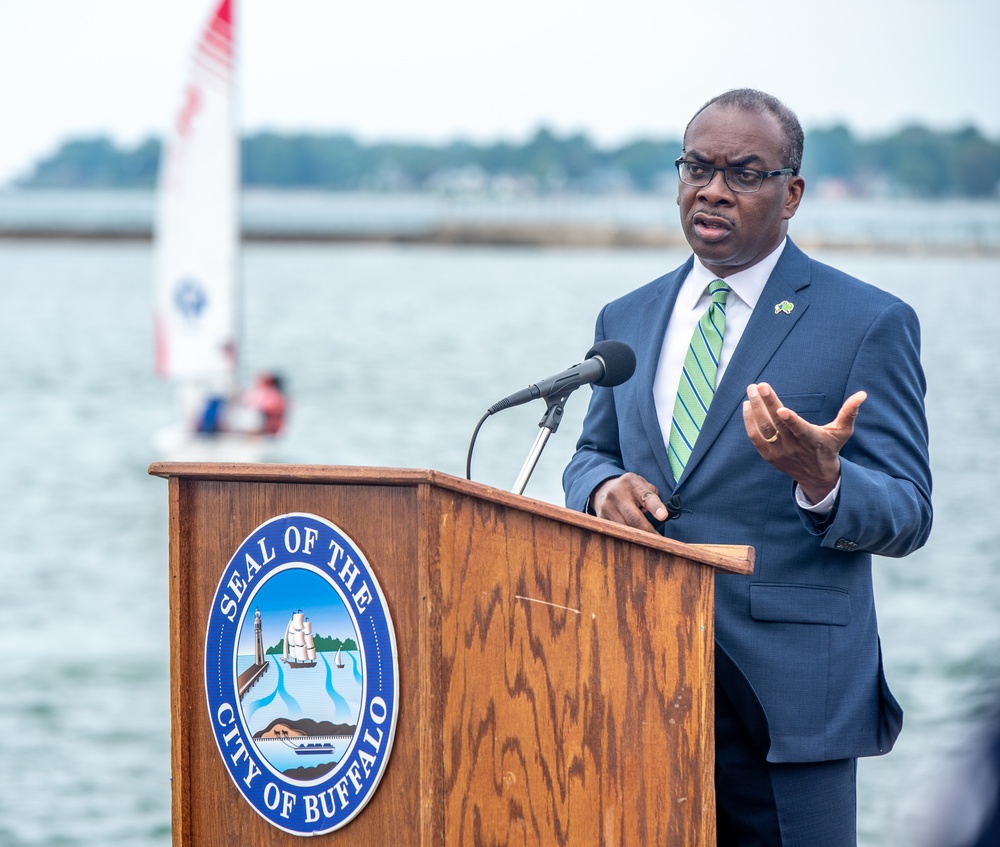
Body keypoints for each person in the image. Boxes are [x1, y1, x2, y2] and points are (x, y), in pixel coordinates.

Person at [563, 89, 932, 846]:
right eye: (697, 167)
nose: (713, 189)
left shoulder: (868, 321)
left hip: (791, 702)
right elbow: (591, 453)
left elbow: (908, 510)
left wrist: (823, 480)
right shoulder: (625, 319)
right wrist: (601, 487)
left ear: (792, 193)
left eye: (744, 172)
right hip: (640, 677)